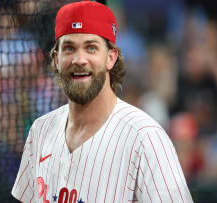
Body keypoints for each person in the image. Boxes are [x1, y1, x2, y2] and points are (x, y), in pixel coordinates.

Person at [12, 1, 193, 203]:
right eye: (69, 48)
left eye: (91, 48)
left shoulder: (145, 137)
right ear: (56, 59)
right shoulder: (40, 131)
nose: (79, 59)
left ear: (111, 58)